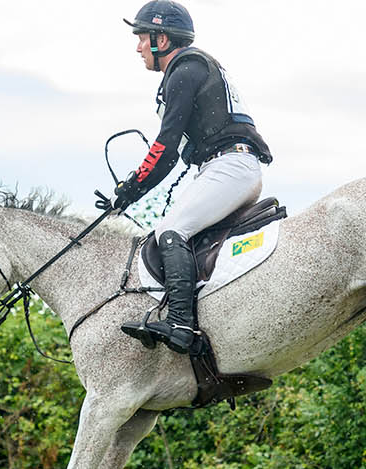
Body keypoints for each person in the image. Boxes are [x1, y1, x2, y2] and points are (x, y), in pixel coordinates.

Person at [112, 1, 273, 355]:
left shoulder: (185, 70)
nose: (138, 47)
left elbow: (165, 146)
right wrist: (133, 188)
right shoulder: (192, 68)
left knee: (171, 231)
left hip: (230, 167)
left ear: (163, 39)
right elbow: (173, 152)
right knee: (175, 228)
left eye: (142, 37)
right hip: (225, 167)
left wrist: (131, 188)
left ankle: (182, 324)